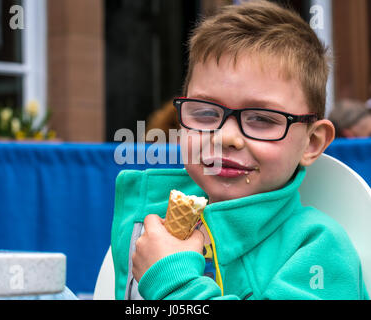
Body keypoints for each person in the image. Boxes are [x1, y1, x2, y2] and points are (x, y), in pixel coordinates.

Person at [110, 1, 369, 300]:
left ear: (311, 143)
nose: (226, 137)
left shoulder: (317, 250)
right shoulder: (151, 219)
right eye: (206, 113)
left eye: (261, 119)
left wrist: (174, 281)